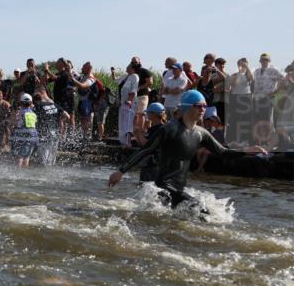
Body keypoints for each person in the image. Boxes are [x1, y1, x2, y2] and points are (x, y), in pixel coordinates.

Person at [108, 90, 252, 212]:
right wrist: (121, 171)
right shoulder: (169, 129)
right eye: (199, 106)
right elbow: (145, 150)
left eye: (204, 106)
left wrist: (247, 151)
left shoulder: (201, 133)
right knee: (203, 212)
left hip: (179, 189)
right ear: (187, 107)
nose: (203, 109)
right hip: (163, 188)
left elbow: (223, 152)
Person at [135, 102, 167, 183]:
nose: (147, 114)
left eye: (148, 113)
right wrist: (137, 134)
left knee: (146, 186)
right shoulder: (153, 128)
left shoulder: (160, 129)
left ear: (154, 114)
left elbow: (147, 145)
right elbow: (141, 145)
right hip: (148, 164)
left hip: (153, 165)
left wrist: (139, 133)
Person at [33, 88, 65, 166]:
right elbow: (67, 116)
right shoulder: (54, 105)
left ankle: (42, 172)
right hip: (55, 134)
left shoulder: (38, 106)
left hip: (44, 135)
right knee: (51, 160)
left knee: (43, 160)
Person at [10, 92, 39, 168]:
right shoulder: (33, 114)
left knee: (19, 157)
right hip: (33, 138)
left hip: (21, 138)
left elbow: (14, 123)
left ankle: (18, 172)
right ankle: (25, 173)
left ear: (20, 103)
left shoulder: (20, 113)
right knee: (27, 157)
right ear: (31, 103)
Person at [117, 63, 139, 145]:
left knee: (128, 123)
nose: (126, 67)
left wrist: (130, 100)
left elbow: (134, 88)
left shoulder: (135, 76)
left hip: (130, 103)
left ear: (132, 68)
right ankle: (123, 142)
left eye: (128, 66)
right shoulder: (126, 76)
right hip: (123, 102)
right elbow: (116, 80)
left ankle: (128, 143)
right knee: (122, 123)